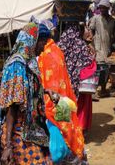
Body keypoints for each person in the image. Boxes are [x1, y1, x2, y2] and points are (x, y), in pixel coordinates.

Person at [0, 23, 51, 164]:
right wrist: (8, 146)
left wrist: (46, 91)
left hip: (31, 129)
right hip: (18, 133)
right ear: (32, 41)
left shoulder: (30, 62)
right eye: (42, 42)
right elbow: (12, 106)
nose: (43, 47)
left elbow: (30, 90)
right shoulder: (17, 65)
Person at [38, 25, 85, 163]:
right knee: (66, 127)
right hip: (63, 96)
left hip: (54, 99)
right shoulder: (55, 49)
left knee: (58, 131)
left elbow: (50, 82)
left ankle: (64, 156)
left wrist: (45, 102)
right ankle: (71, 153)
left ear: (41, 40)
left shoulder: (47, 54)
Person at [58, 22, 96, 135]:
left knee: (64, 103)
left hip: (63, 82)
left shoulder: (60, 44)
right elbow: (89, 62)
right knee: (80, 106)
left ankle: (65, 130)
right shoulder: (82, 45)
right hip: (79, 83)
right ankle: (79, 129)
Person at [89, 0, 114, 98]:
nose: (102, 10)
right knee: (98, 69)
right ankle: (94, 91)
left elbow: (114, 31)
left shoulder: (112, 20)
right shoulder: (96, 18)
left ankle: (103, 89)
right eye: (101, 8)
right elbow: (91, 30)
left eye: (104, 8)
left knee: (106, 69)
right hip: (98, 46)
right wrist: (92, 44)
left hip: (108, 46)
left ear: (108, 8)